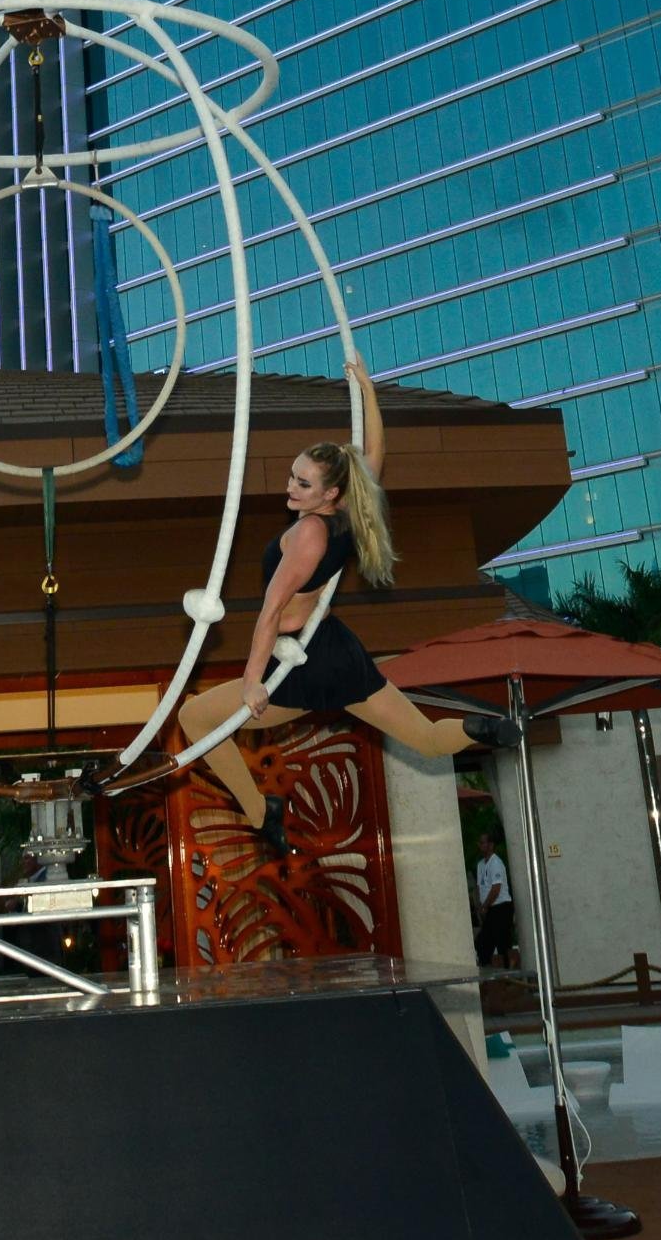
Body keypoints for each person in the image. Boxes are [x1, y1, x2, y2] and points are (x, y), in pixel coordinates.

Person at [174, 364, 473, 841]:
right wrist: (369, 394)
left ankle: (258, 811)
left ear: (329, 492)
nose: (291, 487)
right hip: (338, 650)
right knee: (430, 740)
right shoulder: (348, 513)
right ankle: (488, 729)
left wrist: (253, 681)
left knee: (194, 717)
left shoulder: (309, 534)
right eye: (293, 477)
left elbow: (271, 612)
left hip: (299, 666)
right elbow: (374, 456)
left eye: (303, 484)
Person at [470, 842, 518, 970]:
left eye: (484, 843)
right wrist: (480, 905)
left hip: (501, 906)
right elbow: (480, 887)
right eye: (480, 843)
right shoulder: (480, 865)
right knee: (483, 942)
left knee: (502, 941)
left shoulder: (496, 862)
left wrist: (485, 905)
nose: (481, 845)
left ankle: (509, 971)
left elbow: (496, 889)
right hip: (490, 907)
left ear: (491, 845)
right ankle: (487, 969)